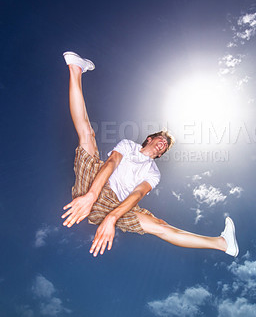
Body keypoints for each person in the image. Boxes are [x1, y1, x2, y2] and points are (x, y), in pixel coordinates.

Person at [61, 51, 239, 258]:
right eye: (160, 140)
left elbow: (136, 195)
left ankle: (223, 244)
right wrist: (91, 195)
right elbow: (110, 163)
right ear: (149, 139)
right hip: (94, 184)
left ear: (160, 154)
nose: (162, 144)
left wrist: (111, 218)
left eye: (165, 146)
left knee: (160, 225)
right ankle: (76, 68)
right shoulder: (128, 146)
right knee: (87, 135)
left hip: (115, 206)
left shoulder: (153, 173)